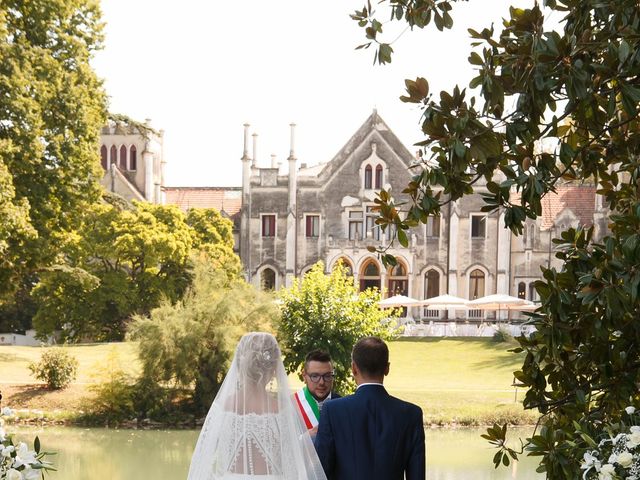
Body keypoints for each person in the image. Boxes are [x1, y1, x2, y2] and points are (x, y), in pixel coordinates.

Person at [187, 332, 327, 480]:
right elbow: (292, 466)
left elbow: (201, 463)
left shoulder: (223, 406)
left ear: (239, 366)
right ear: (274, 370)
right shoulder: (282, 410)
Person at [314, 336, 425, 480]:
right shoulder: (411, 414)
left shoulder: (332, 410)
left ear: (354, 368)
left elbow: (321, 472)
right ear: (387, 368)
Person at [294, 350, 341, 434]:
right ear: (304, 376)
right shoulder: (292, 404)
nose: (321, 382)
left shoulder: (342, 404)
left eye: (327, 376)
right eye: (315, 376)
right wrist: (307, 438)